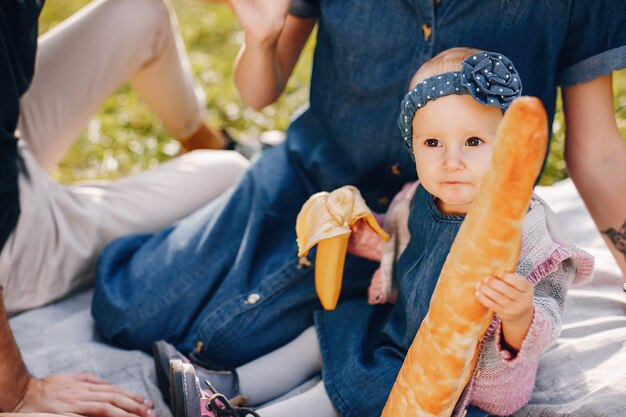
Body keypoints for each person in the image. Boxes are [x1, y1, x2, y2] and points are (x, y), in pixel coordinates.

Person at [93, 0, 625, 399]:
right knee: (127, 313)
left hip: (441, 221)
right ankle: (219, 176)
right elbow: (260, 91)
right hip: (316, 181)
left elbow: (599, 155)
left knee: (238, 339)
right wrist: (259, 41)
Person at [0, 0, 249, 415]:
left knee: (139, 11)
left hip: (11, 139)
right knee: (234, 176)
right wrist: (16, 389)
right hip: (14, 237)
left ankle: (206, 138)